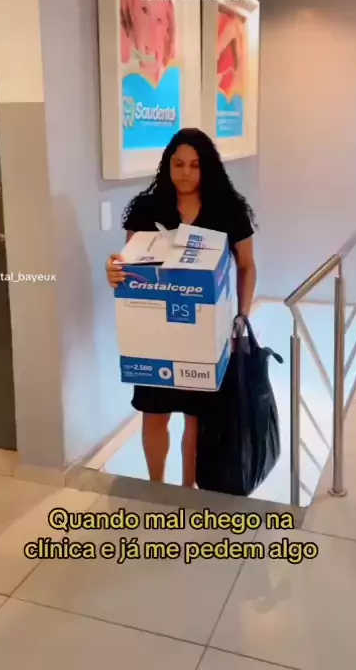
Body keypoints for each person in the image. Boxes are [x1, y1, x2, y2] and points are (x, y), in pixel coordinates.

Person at [105, 128, 257, 488]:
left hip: (204, 334)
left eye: (194, 165)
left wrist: (242, 316)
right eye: (178, 164)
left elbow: (247, 265)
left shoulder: (228, 210)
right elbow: (131, 264)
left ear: (207, 168)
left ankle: (188, 491)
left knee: (196, 418)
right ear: (167, 165)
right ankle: (157, 487)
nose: (185, 172)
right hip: (156, 335)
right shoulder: (146, 208)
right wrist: (115, 271)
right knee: (154, 414)